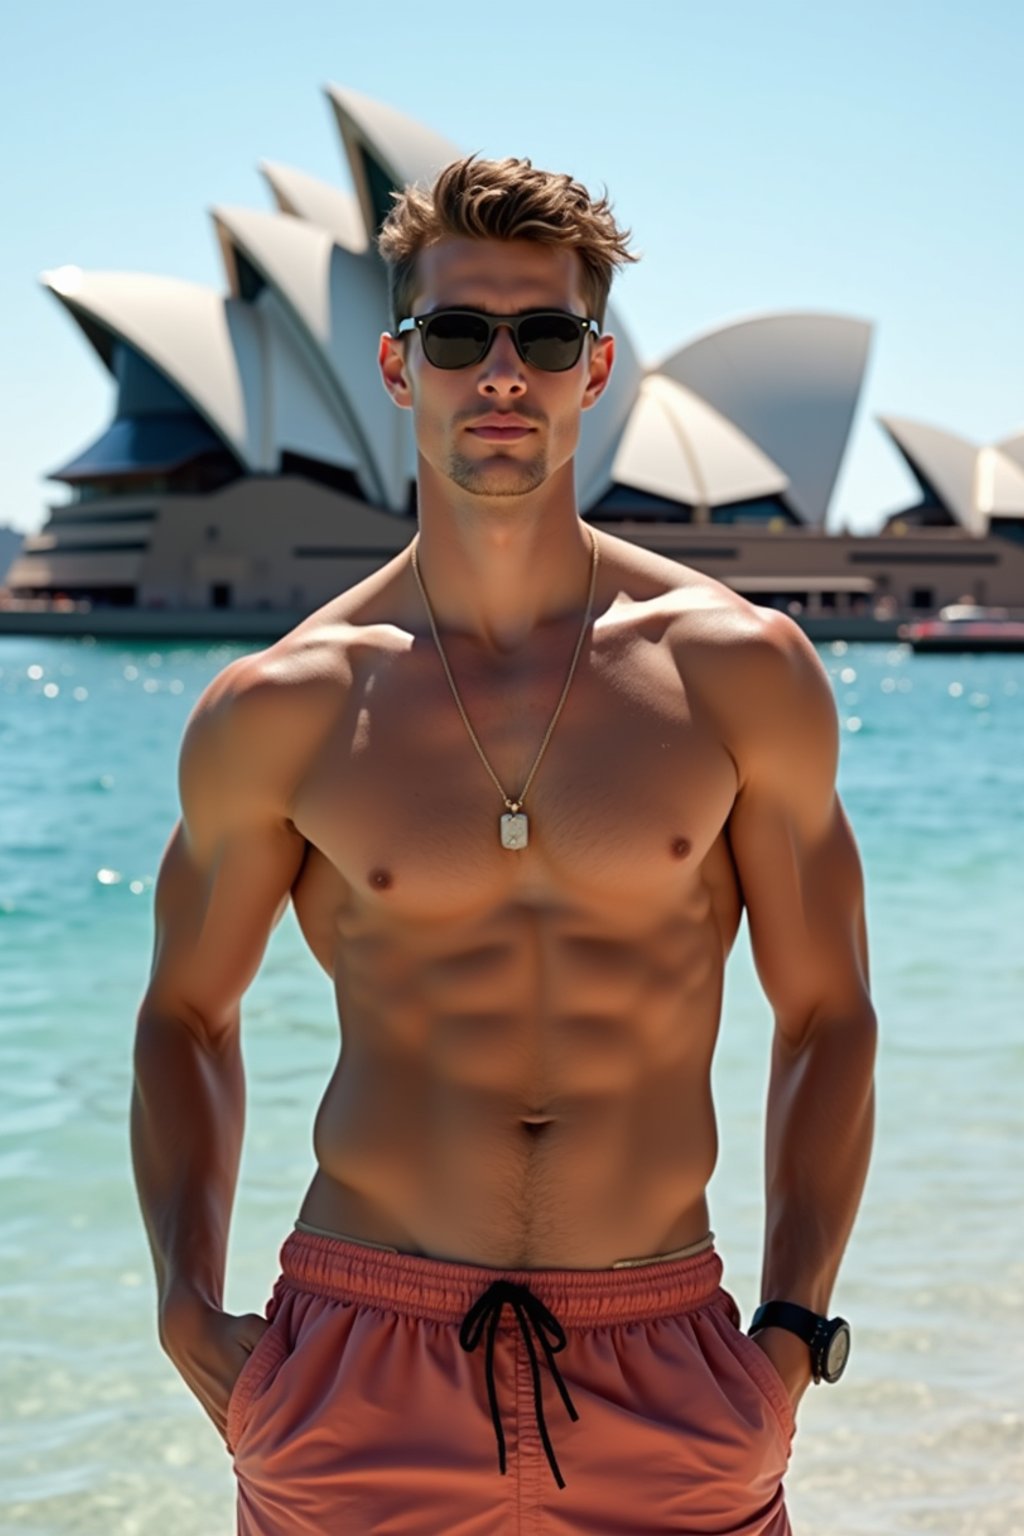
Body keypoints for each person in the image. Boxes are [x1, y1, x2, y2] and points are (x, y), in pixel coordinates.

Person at [131, 155, 877, 1535]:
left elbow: (828, 1014)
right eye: (459, 333)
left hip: (664, 1357)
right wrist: (185, 1306)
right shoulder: (285, 705)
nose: (501, 374)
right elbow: (185, 1013)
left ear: (596, 372)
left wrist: (789, 1331)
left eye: (544, 338)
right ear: (395, 363)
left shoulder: (738, 672)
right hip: (359, 1358)